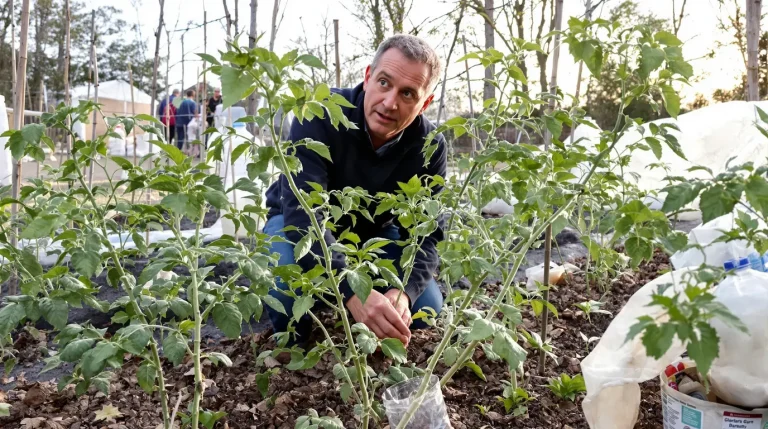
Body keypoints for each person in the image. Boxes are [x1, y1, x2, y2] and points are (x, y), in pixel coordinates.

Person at [263, 34, 446, 349]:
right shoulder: (320, 112)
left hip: (373, 237)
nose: (390, 103)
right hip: (300, 228)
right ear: (367, 77)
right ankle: (302, 341)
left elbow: (427, 235)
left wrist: (404, 293)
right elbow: (304, 213)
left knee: (426, 306)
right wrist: (351, 289)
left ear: (424, 103)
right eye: (384, 83)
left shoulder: (430, 146)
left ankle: (363, 307)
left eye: (407, 93)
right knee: (285, 290)